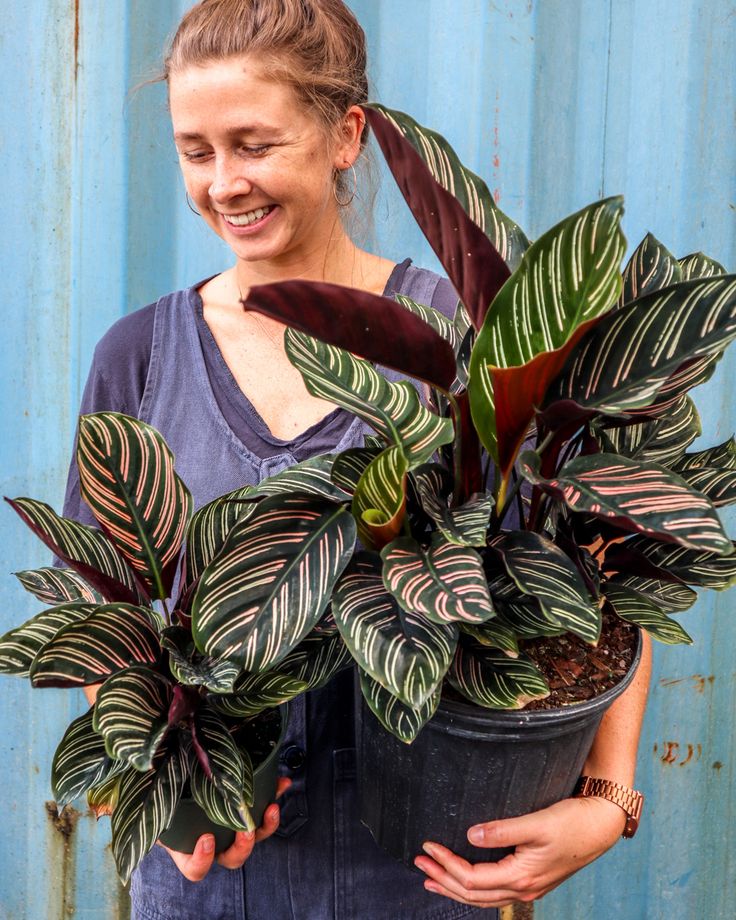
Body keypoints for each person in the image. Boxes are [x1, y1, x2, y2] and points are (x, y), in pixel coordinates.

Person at [62, 1, 652, 917]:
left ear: (344, 137)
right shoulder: (139, 357)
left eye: (254, 144)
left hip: (423, 877)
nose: (224, 183)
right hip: (211, 886)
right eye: (196, 150)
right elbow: (98, 621)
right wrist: (175, 781)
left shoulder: (463, 339)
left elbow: (604, 571)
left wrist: (609, 801)